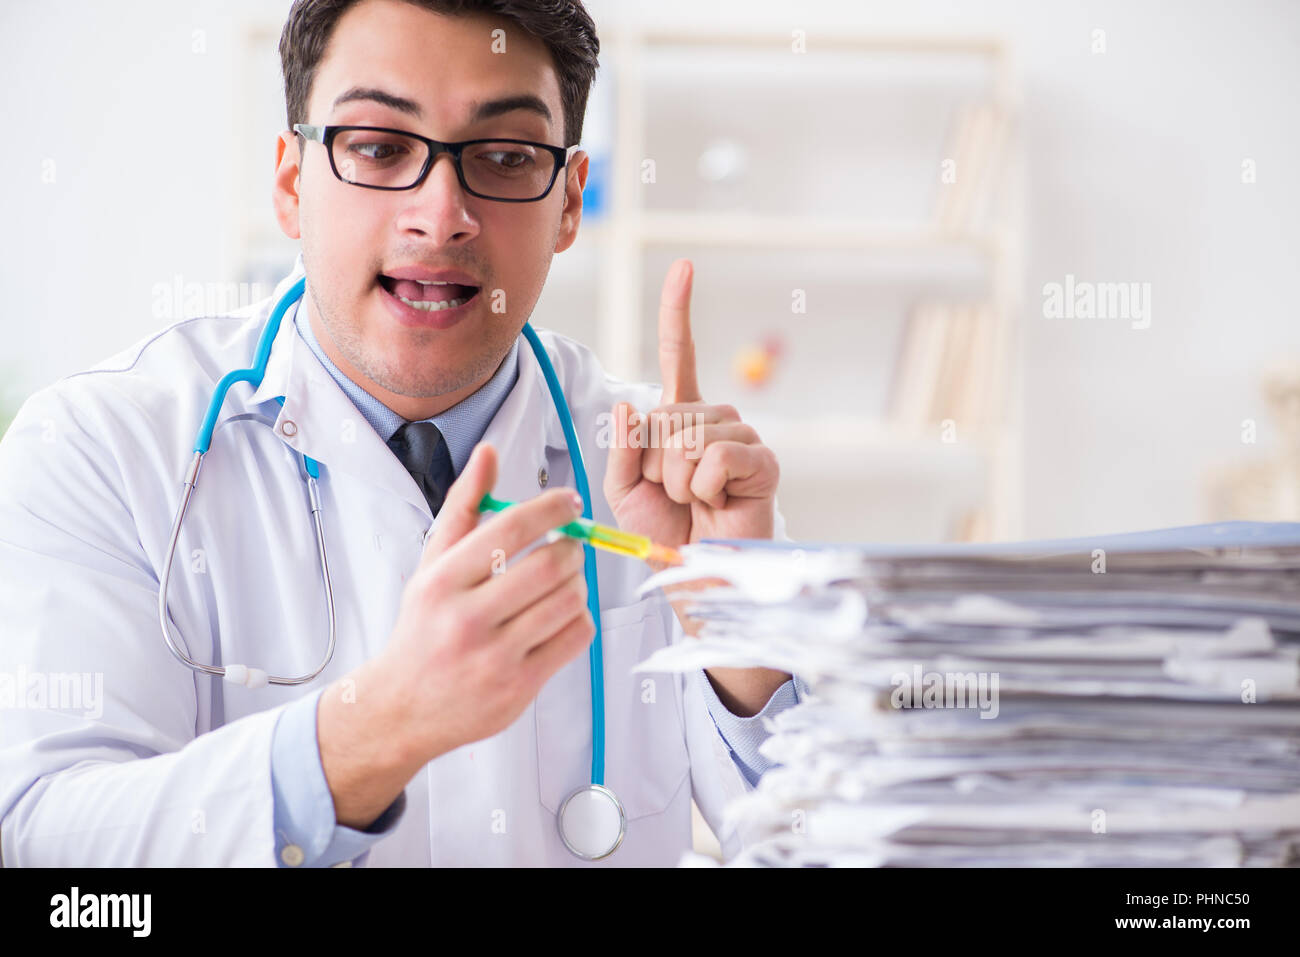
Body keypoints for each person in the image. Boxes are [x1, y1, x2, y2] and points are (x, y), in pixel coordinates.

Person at [0, 0, 805, 867]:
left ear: (568, 202)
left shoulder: (671, 480)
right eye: (381, 147)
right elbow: (47, 845)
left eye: (504, 156)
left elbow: (827, 842)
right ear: (290, 183)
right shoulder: (100, 446)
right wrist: (380, 724)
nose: (441, 213)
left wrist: (743, 640)